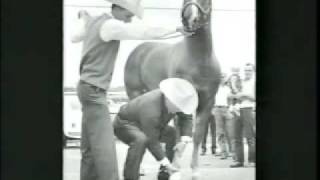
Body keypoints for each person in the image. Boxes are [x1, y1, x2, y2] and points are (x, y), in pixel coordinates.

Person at [71, 1, 193, 180]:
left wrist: (84, 19)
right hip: (95, 90)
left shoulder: (95, 22)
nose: (128, 21)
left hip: (85, 88)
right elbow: (142, 31)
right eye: (128, 16)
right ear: (117, 8)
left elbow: (74, 37)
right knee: (106, 151)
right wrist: (176, 29)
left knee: (89, 148)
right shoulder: (110, 26)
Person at [113, 78, 198, 180]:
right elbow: (152, 140)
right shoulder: (151, 108)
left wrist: (184, 141)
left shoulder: (176, 99)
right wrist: (165, 162)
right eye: (178, 107)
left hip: (150, 124)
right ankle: (130, 177)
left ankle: (165, 174)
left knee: (171, 133)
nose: (179, 109)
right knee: (141, 140)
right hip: (125, 124)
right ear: (168, 99)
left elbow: (186, 117)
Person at [229, 63, 256, 168]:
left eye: (249, 70)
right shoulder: (241, 82)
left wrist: (244, 95)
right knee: (237, 137)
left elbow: (254, 97)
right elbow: (235, 95)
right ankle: (239, 161)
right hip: (238, 109)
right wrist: (233, 95)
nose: (247, 72)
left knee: (250, 136)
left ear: (253, 71)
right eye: (245, 70)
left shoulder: (254, 82)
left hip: (249, 109)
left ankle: (252, 160)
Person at [211, 73, 233, 159]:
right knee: (220, 132)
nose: (222, 79)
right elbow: (211, 99)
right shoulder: (215, 88)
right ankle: (224, 152)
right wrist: (212, 108)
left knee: (230, 131)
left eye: (223, 77)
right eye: (220, 77)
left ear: (226, 78)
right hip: (217, 109)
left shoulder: (228, 89)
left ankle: (232, 152)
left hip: (226, 109)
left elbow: (231, 99)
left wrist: (230, 109)